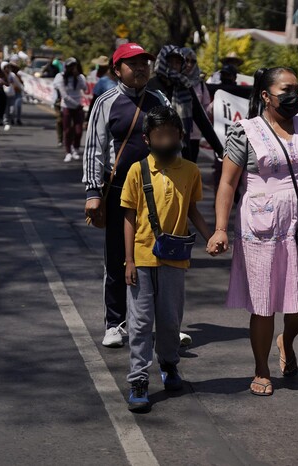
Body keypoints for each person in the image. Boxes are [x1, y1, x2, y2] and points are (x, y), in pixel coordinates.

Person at [207, 67, 298, 396]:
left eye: (297, 90)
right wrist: (219, 229)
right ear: (265, 96)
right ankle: (261, 368)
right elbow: (227, 183)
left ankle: (287, 339)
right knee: (264, 303)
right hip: (262, 228)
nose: (293, 96)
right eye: (286, 90)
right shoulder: (246, 131)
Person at [121, 105, 212, 412]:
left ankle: (169, 365)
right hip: (143, 258)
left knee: (171, 321)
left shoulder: (190, 171)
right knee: (140, 322)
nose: (165, 141)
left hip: (174, 259)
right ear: (148, 139)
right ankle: (138, 380)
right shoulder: (137, 170)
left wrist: (213, 234)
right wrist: (129, 261)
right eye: (159, 136)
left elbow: (192, 210)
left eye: (171, 135)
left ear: (181, 136)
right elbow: (129, 217)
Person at [83, 42, 170, 348]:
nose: (141, 68)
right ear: (117, 69)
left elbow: (172, 145)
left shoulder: (160, 100)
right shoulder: (106, 102)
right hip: (119, 193)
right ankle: (115, 322)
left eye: (145, 62)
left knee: (160, 258)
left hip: (158, 194)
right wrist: (93, 191)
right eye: (133, 63)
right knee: (119, 259)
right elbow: (94, 148)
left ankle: (163, 324)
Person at [54, 57, 87, 163]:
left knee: (78, 131)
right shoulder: (60, 77)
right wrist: (76, 105)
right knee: (67, 130)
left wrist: (79, 77)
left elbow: (84, 88)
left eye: (74, 66)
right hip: (67, 106)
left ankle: (75, 149)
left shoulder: (80, 77)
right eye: (70, 67)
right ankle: (68, 152)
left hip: (78, 107)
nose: (72, 69)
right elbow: (64, 95)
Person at [182, 47, 212, 163]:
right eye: (186, 60)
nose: (189, 64)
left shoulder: (201, 85)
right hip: (175, 134)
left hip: (194, 135)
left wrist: (216, 106)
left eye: (192, 61)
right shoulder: (172, 81)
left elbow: (206, 111)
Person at [7, 55, 25, 125]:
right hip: (11, 93)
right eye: (12, 67)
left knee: (18, 106)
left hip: (18, 92)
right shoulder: (8, 75)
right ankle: (11, 119)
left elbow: (21, 83)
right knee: (11, 107)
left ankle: (18, 119)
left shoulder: (18, 75)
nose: (14, 69)